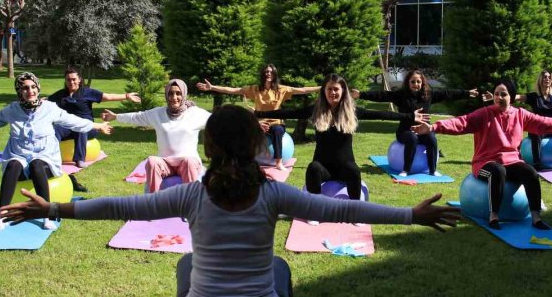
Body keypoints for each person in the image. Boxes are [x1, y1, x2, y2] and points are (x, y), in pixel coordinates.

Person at [0, 105, 460, 297]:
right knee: (279, 268)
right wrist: (410, 216)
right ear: (255, 144)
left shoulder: (192, 194)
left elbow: (122, 207)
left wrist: (55, 209)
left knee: (188, 264)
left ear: (213, 146)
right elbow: (343, 211)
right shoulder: (273, 193)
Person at [413, 79, 552, 230]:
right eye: (496, 94)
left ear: (512, 97)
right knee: (497, 171)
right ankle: (494, 216)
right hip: (484, 164)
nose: (499, 97)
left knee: (531, 172)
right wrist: (434, 127)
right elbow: (461, 122)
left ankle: (536, 217)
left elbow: (545, 123)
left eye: (504, 94)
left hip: (511, 161)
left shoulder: (520, 114)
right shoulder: (484, 114)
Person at [0, 72, 112, 231]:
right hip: (19, 154)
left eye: (33, 87)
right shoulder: (12, 110)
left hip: (44, 157)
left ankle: (48, 215)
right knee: (13, 165)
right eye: (25, 87)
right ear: (19, 91)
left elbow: (74, 122)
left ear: (38, 88)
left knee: (37, 165)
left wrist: (98, 126)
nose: (30, 91)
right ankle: (1, 216)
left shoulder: (50, 108)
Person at [255, 73, 425, 212]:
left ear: (343, 91)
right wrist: (258, 114)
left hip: (345, 168)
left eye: (336, 90)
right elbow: (289, 112)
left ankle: (357, 211)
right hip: (323, 168)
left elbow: (381, 115)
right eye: (329, 89)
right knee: (312, 168)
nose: (333, 93)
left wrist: (409, 116)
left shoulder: (352, 111)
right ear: (324, 91)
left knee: (354, 170)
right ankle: (314, 211)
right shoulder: (316, 111)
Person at [352, 69, 479, 176]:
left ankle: (432, 170)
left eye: (418, 82)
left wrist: (467, 93)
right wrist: (361, 94)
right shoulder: (401, 95)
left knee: (432, 139)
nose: (416, 84)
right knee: (412, 138)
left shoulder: (428, 95)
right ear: (408, 83)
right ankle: (406, 169)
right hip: (405, 131)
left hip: (424, 130)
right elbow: (382, 95)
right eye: (413, 82)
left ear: (422, 83)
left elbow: (447, 93)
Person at [196, 65, 319, 171]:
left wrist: (323, 88)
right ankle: (240, 160)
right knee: (244, 131)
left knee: (277, 131)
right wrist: (212, 87)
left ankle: (278, 162)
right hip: (259, 122)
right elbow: (235, 90)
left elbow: (303, 90)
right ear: (263, 74)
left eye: (271, 72)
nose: (268, 74)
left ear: (274, 74)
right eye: (266, 72)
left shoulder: (281, 89)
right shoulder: (255, 89)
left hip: (276, 122)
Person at [102, 79, 210, 193]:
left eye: (178, 93)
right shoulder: (158, 113)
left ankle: (192, 202)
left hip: (188, 163)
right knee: (152, 161)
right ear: (166, 95)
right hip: (165, 163)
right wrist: (115, 117)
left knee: (189, 161)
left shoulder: (196, 114)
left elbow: (218, 120)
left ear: (184, 94)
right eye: (171, 93)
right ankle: (153, 202)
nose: (174, 97)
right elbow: (137, 117)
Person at [48, 66, 140, 192]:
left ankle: (79, 159)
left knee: (81, 127)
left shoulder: (87, 92)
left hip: (88, 128)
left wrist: (126, 96)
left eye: (74, 79)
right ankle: (51, 157)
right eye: (68, 80)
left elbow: (108, 97)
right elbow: (45, 102)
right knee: (55, 129)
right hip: (68, 127)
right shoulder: (61, 95)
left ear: (80, 79)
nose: (71, 82)